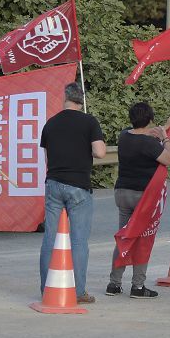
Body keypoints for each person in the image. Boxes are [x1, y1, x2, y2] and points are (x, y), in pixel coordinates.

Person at [39, 82, 106, 304]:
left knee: (51, 238)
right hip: (79, 186)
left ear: (65, 97)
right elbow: (100, 152)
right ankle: (77, 291)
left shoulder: (50, 124)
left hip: (54, 184)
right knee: (78, 241)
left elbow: (47, 159)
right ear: (81, 99)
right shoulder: (89, 122)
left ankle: (47, 288)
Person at [106, 102, 170, 299]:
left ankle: (114, 283)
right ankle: (138, 286)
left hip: (122, 193)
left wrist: (160, 129)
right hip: (143, 196)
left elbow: (140, 134)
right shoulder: (151, 144)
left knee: (125, 237)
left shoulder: (124, 136)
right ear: (150, 119)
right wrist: (165, 137)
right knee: (143, 240)